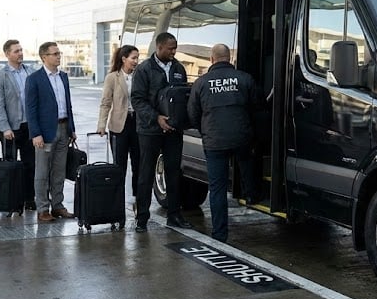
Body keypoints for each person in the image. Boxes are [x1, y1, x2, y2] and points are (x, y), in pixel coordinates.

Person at [188, 44, 260, 242]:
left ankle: (220, 234)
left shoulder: (201, 82)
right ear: (230, 59)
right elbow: (257, 107)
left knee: (217, 188)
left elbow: (193, 114)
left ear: (211, 59)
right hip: (241, 137)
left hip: (214, 141)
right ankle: (251, 194)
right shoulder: (245, 79)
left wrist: (205, 131)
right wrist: (251, 133)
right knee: (246, 161)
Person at [130, 32, 193, 232]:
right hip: (149, 130)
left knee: (174, 172)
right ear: (159, 48)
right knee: (146, 173)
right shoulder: (144, 70)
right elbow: (137, 100)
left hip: (173, 131)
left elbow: (183, 96)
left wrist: (180, 120)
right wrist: (156, 118)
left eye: (175, 48)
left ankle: (174, 215)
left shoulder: (179, 69)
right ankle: (142, 218)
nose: (174, 51)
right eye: (170, 48)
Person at [26, 41, 77, 222]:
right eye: (55, 54)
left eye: (59, 53)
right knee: (42, 172)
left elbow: (68, 104)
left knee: (59, 171)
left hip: (64, 129)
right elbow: (30, 109)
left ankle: (58, 206)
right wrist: (35, 133)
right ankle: (42, 209)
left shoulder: (63, 76)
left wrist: (72, 128)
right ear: (44, 57)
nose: (58, 56)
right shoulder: (34, 79)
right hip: (45, 132)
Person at [0, 39, 36, 211]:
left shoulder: (30, 72)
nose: (20, 53)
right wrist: (5, 127)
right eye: (16, 51)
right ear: (7, 54)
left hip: (29, 126)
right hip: (10, 128)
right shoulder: (0, 76)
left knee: (30, 164)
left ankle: (29, 198)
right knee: (10, 165)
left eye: (20, 50)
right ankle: (11, 199)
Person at [96, 45, 141, 210]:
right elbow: (105, 102)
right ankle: (117, 200)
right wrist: (102, 124)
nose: (136, 61)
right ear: (124, 59)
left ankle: (138, 198)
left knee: (138, 163)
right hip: (119, 125)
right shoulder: (112, 77)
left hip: (138, 123)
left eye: (137, 58)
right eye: (133, 58)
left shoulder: (139, 76)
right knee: (119, 165)